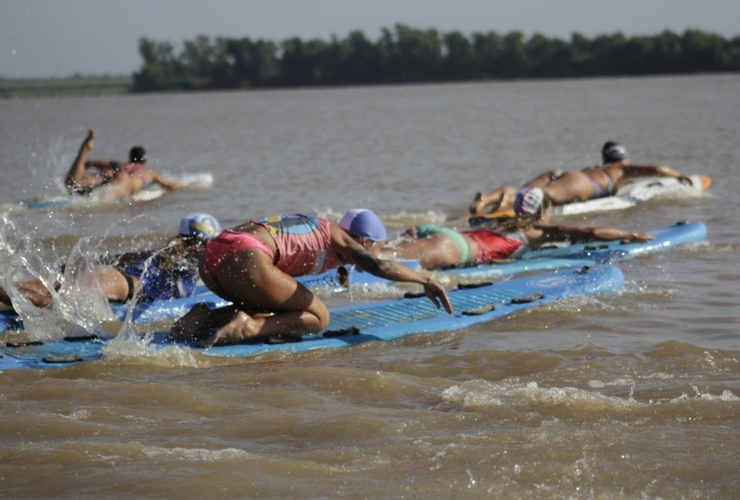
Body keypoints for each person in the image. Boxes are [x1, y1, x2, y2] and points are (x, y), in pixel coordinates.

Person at [169, 210, 453, 347]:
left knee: (275, 307)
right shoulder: (342, 239)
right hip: (246, 255)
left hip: (215, 255)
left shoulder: (319, 227)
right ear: (365, 242)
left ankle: (205, 319)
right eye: (377, 246)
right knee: (318, 318)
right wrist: (424, 280)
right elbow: (377, 265)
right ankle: (247, 328)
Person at [387, 188, 653, 270]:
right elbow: (591, 233)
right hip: (458, 249)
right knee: (382, 266)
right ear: (542, 212)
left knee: (378, 256)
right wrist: (629, 234)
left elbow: (473, 217)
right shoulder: (538, 230)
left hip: (437, 233)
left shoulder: (497, 219)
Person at [0, 214, 220, 310]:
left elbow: (115, 258)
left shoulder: (161, 251)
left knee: (24, 289)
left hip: (105, 273)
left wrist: (78, 266)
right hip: (122, 284)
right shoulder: (197, 260)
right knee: (48, 304)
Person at [469, 141, 696, 216]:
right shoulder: (622, 169)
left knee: (530, 189)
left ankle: (489, 197)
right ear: (623, 158)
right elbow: (657, 168)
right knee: (543, 197)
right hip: (587, 185)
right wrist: (680, 175)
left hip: (574, 176)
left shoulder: (595, 167)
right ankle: (508, 200)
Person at [64, 129, 181, 201]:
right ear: (144, 161)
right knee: (101, 199)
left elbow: (92, 163)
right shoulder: (148, 173)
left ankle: (83, 150)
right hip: (117, 189)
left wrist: (86, 165)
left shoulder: (120, 165)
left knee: (73, 184)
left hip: (108, 180)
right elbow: (171, 185)